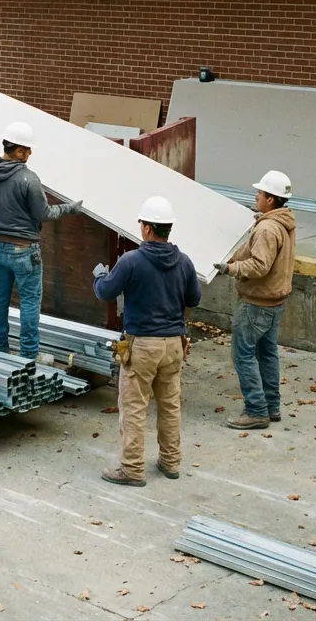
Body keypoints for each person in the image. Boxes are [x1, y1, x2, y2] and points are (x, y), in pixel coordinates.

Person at [92, 196, 201, 487]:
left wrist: (100, 275)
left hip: (142, 346)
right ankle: (170, 462)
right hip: (174, 346)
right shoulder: (184, 262)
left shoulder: (131, 261)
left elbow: (105, 292)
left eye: (141, 223)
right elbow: (194, 299)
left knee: (134, 408)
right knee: (170, 406)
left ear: (148, 228)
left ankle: (132, 469)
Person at [0, 121, 83, 364]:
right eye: (26, 150)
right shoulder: (27, 178)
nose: (30, 154)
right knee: (29, 301)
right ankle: (28, 355)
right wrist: (69, 208)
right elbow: (44, 214)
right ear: (17, 149)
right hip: (24, 250)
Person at [213, 170, 298, 431]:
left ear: (271, 199)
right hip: (274, 301)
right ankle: (271, 407)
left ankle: (256, 410)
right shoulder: (281, 222)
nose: (256, 196)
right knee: (267, 354)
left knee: (243, 356)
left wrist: (231, 269)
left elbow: (260, 266)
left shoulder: (268, 229)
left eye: (260, 193)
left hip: (257, 303)